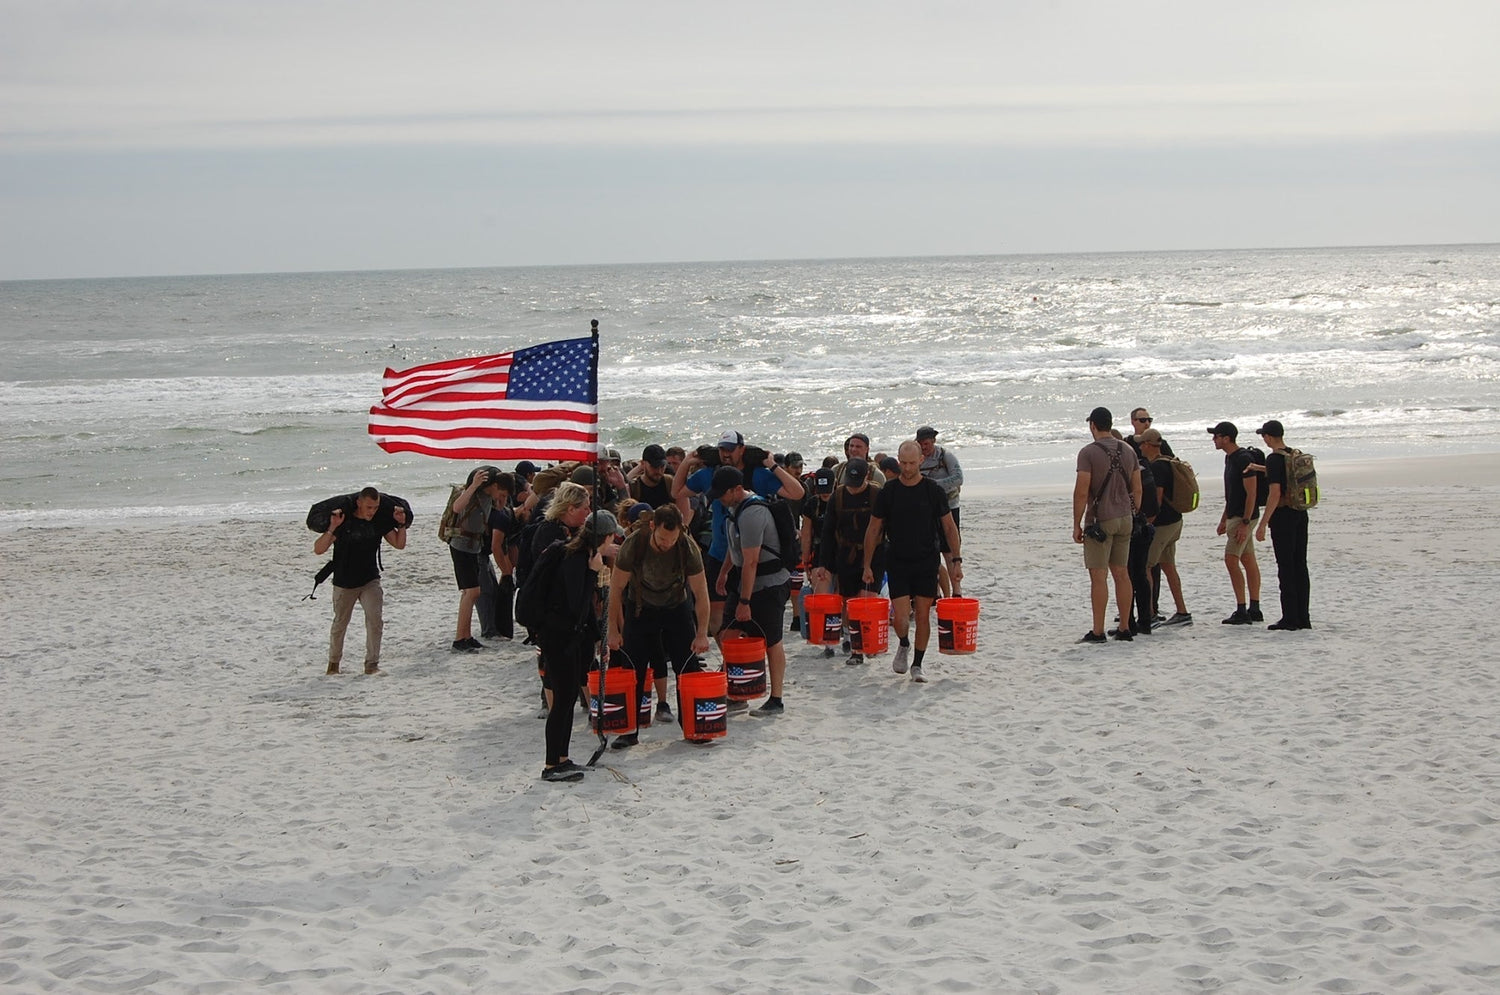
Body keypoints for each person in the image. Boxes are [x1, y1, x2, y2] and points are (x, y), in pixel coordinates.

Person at [673, 430, 804, 637]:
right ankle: (733, 661)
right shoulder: (712, 475)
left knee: (755, 622)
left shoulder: (757, 475)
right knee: (718, 623)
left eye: (730, 449)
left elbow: (797, 492)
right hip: (721, 552)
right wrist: (687, 463)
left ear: (741, 450)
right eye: (722, 449)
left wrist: (772, 465)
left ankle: (744, 661)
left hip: (754, 557)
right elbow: (677, 492)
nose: (726, 454)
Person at [607, 504, 713, 746]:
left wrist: (702, 633)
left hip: (676, 606)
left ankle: (692, 726)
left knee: (687, 667)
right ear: (653, 526)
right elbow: (616, 589)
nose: (668, 544)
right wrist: (613, 630)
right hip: (640, 607)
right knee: (634, 669)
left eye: (673, 539)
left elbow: (700, 591)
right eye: (664, 539)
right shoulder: (634, 544)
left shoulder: (686, 546)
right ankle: (629, 731)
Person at [863, 441, 961, 682]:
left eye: (911, 463)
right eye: (903, 463)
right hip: (897, 558)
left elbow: (949, 527)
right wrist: (867, 564)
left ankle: (917, 664)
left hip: (927, 559)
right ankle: (904, 643)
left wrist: (956, 560)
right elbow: (874, 529)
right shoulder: (889, 491)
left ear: (920, 461)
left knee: (924, 613)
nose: (907, 468)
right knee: (900, 615)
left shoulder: (933, 490)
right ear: (898, 461)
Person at [536, 510, 623, 783]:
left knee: (569, 697)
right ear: (605, 536)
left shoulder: (582, 554)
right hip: (558, 637)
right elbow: (577, 604)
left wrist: (598, 637)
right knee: (562, 702)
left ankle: (562, 758)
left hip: (569, 637)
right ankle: (551, 765)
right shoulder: (575, 558)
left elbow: (585, 611)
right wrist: (592, 574)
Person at [711, 466, 793, 712]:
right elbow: (734, 547)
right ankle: (739, 693)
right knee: (728, 634)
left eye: (722, 494)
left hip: (769, 584)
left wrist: (745, 602)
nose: (719, 499)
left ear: (737, 490)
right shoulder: (734, 510)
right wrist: (724, 573)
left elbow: (752, 561)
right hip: (743, 581)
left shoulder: (753, 513)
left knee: (771, 641)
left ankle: (776, 698)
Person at [315, 487, 408, 675]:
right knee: (340, 623)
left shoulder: (379, 521)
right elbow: (319, 549)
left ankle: (371, 664)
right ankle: (333, 664)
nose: (371, 511)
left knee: (375, 620)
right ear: (359, 503)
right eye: (369, 507)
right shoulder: (343, 521)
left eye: (375, 507)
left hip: (370, 580)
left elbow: (399, 544)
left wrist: (402, 525)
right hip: (344, 581)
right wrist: (332, 527)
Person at [1073, 407, 1142, 644]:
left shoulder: (1088, 453)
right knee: (1122, 574)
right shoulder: (1129, 449)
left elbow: (1082, 491)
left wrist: (1076, 523)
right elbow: (1137, 487)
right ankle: (1124, 627)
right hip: (1125, 518)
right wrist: (1134, 512)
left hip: (1101, 520)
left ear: (1093, 425)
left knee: (1099, 576)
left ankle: (1098, 630)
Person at [816, 457, 886, 665]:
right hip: (845, 554)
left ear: (867, 476)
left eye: (857, 485)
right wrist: (823, 564)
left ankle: (859, 650)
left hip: (874, 554)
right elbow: (828, 531)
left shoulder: (876, 495)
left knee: (864, 602)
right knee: (847, 603)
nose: (853, 489)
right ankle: (853, 641)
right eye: (850, 484)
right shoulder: (838, 496)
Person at [1255, 420, 1312, 631]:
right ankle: (1303, 617)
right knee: (1300, 565)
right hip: (1300, 513)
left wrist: (1263, 523)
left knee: (1286, 567)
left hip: (1283, 517)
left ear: (1268, 437)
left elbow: (1275, 493)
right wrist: (1259, 468)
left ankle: (1289, 618)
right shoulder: (1292, 454)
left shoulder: (1273, 458)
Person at [1208, 421, 1265, 625]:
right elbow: (1231, 494)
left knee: (1231, 559)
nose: (1213, 440)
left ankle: (1242, 610)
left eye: (1216, 436)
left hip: (1244, 517)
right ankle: (1254, 608)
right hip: (1234, 516)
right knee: (1248, 559)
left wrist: (1245, 522)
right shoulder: (1229, 458)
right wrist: (1224, 518)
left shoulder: (1243, 459)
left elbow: (1252, 493)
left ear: (1226, 438)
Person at [448, 466, 507, 652]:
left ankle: (465, 636)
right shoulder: (472, 493)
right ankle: (459, 639)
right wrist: (473, 485)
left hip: (474, 547)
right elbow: (456, 507)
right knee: (472, 592)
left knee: (469, 592)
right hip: (461, 545)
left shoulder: (488, 497)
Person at [1139, 428, 1192, 626]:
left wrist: (1148, 523)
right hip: (1175, 522)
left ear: (1147, 445)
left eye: (1141, 443)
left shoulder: (1157, 467)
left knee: (1147, 567)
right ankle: (1182, 611)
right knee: (1169, 566)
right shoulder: (1167, 462)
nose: (1140, 447)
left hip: (1163, 525)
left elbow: (1157, 499)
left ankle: (1150, 614)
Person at [916, 426, 964, 528]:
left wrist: (934, 484)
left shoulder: (945, 455)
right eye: (920, 444)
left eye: (926, 444)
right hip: (927, 506)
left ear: (934, 441)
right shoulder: (915, 458)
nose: (923, 447)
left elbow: (959, 478)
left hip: (950, 504)